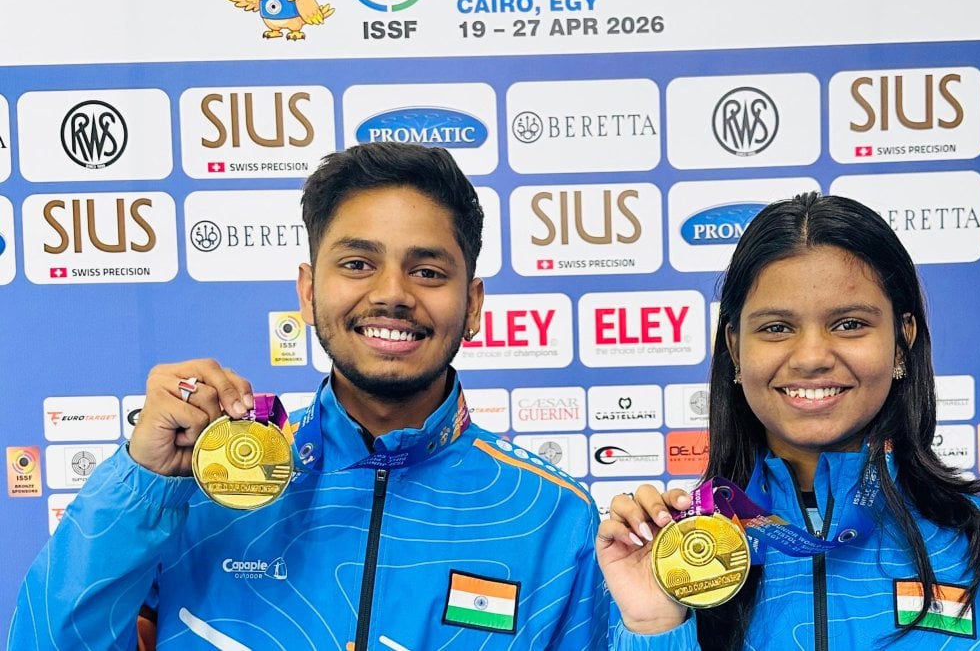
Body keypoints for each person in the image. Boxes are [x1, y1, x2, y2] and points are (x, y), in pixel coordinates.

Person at [10, 142, 606, 650]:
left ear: (472, 304)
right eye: (357, 263)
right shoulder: (198, 489)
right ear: (308, 290)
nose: (392, 295)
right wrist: (143, 480)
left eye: (427, 272)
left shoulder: (553, 516)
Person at [597, 192, 980, 650]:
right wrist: (654, 625)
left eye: (849, 324)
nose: (811, 357)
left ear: (902, 339)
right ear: (734, 349)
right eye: (776, 328)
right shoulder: (681, 553)